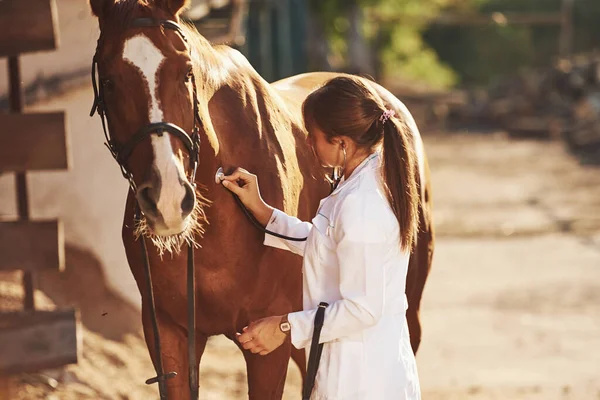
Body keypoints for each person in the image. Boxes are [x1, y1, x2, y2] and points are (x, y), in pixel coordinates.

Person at [221, 75, 421, 399]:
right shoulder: (362, 179)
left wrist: (284, 326)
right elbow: (324, 245)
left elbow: (363, 308)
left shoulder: (363, 206)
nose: (309, 145)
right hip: (352, 367)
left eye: (313, 137)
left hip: (362, 380)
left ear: (341, 142)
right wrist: (261, 209)